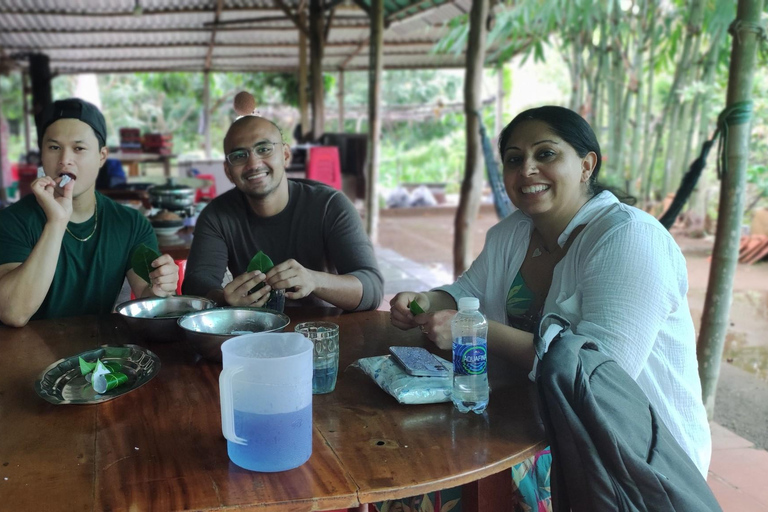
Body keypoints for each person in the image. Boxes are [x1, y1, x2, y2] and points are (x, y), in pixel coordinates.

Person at [390, 106, 711, 507]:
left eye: (546, 154)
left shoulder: (630, 239)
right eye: (514, 159)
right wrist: (422, 302)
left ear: (586, 165)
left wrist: (474, 330)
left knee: (431, 487)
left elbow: (596, 377)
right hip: (541, 432)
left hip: (633, 464)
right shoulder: (513, 233)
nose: (527, 170)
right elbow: (465, 292)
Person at [0, 98, 178, 327]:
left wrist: (161, 289)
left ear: (102, 156)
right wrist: (56, 222)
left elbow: (148, 297)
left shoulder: (130, 224)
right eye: (54, 147)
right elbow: (13, 313)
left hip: (98, 356)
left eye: (79, 148)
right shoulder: (12, 221)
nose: (65, 161)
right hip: (24, 357)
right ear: (42, 155)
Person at [182, 115, 383, 311]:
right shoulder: (217, 216)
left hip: (322, 331)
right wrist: (224, 299)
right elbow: (196, 286)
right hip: (251, 331)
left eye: (264, 149)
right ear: (228, 171)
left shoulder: (329, 205)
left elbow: (372, 288)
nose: (253, 164)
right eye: (239, 156)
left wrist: (314, 280)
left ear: (285, 155)